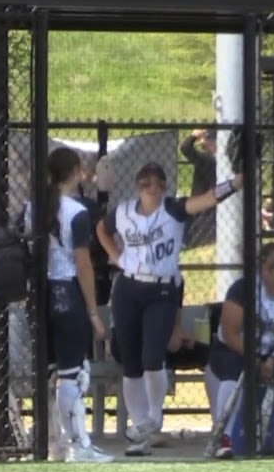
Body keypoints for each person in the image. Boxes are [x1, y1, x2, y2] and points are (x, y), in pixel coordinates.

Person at [96, 162, 243, 456]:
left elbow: (206, 199)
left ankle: (154, 416)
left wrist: (235, 184)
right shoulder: (125, 211)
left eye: (157, 183)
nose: (152, 188)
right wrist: (117, 256)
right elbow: (102, 228)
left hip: (161, 289)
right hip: (128, 287)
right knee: (131, 362)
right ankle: (140, 432)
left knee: (153, 356)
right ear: (138, 187)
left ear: (163, 186)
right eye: (145, 183)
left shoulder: (172, 209)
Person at [206, 243, 274, 458]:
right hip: (235, 349)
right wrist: (256, 361)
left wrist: (273, 359)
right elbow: (230, 334)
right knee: (233, 376)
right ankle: (224, 439)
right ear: (262, 265)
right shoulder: (243, 289)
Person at [36, 148, 111, 463]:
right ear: (77, 172)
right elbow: (83, 265)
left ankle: (56, 444)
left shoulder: (33, 207)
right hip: (67, 292)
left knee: (53, 371)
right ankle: (78, 446)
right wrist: (93, 312)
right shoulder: (76, 212)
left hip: (39, 293)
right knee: (73, 373)